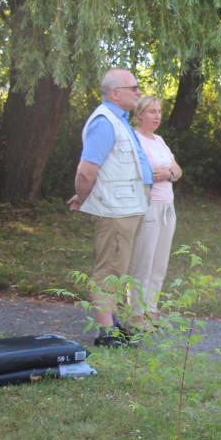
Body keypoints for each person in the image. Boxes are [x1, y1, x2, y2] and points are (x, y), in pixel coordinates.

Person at [67, 69, 153, 346]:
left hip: (128, 207)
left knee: (121, 268)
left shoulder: (118, 120)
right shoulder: (105, 122)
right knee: (109, 270)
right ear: (115, 93)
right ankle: (106, 333)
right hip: (117, 210)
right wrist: (84, 197)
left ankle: (113, 323)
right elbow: (86, 172)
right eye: (133, 88)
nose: (138, 92)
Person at [128, 95, 182, 321]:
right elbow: (137, 171)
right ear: (140, 114)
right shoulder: (135, 139)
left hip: (167, 207)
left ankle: (151, 307)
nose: (157, 116)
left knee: (160, 259)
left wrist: (168, 174)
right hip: (148, 205)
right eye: (152, 111)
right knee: (144, 258)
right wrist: (157, 175)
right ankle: (135, 312)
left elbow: (177, 171)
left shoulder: (159, 140)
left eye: (159, 111)